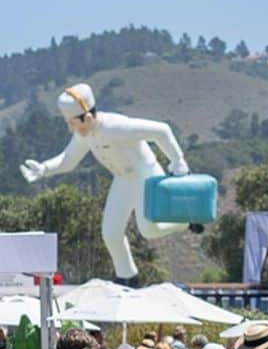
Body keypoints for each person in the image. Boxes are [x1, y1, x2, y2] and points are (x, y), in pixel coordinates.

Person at [19, 82, 193, 283]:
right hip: (123, 179)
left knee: (149, 231)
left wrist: (179, 163)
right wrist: (44, 169)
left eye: (72, 122)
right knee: (110, 233)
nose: (70, 128)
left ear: (88, 117)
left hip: (147, 176)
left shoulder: (117, 127)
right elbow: (69, 160)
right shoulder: (84, 133)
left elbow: (162, 130)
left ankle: (183, 221)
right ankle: (127, 277)